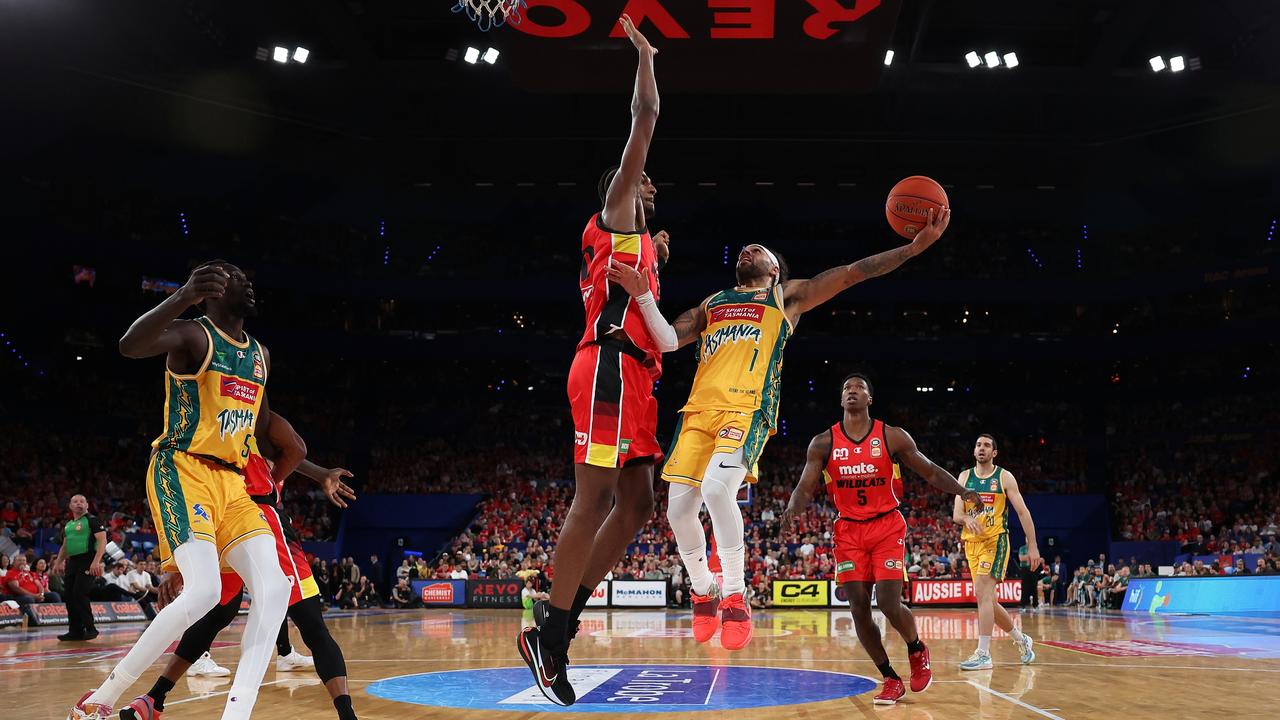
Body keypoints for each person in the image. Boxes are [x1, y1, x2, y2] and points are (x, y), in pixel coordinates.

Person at [611, 197, 951, 654]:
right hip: (697, 413)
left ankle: (735, 595)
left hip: (746, 410)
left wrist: (912, 249)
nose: (748, 250)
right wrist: (643, 294)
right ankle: (703, 590)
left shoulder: (784, 296)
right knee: (677, 511)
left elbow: (853, 272)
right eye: (745, 249)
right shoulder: (713, 303)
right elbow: (668, 341)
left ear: (775, 269)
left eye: (759, 249)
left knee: (717, 491)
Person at [519, 14, 668, 709]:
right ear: (622, 192)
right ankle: (549, 631)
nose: (651, 191)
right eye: (645, 187)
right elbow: (647, 113)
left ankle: (562, 625)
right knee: (596, 498)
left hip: (637, 376)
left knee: (637, 504)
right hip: (606, 366)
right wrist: (642, 54)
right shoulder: (613, 211)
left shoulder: (636, 250)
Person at [68, 261, 291, 720]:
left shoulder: (260, 355)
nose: (247, 282)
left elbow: (265, 427)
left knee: (275, 587)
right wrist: (182, 296)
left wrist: (311, 464)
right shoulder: (193, 335)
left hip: (232, 481)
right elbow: (130, 346)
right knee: (205, 591)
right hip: (183, 468)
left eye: (247, 276)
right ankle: (103, 698)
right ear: (210, 291)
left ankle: (236, 714)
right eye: (234, 277)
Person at [120, 410, 361, 720]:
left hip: (219, 523)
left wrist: (175, 563)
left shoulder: (201, 419)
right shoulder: (250, 413)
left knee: (215, 615)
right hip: (258, 518)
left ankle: (154, 698)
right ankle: (346, 715)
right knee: (311, 626)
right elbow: (296, 449)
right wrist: (273, 481)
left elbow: (176, 492)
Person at [784, 374, 982, 705]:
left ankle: (917, 648)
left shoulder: (891, 436)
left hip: (886, 525)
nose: (851, 391)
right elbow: (805, 488)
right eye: (846, 388)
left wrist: (962, 491)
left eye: (858, 388)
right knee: (859, 608)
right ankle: (890, 678)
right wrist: (790, 514)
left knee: (889, 603)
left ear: (869, 399)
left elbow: (930, 470)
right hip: (848, 531)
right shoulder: (823, 442)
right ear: (841, 398)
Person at [954, 434, 1040, 670]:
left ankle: (983, 653)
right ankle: (1022, 640)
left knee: (982, 592)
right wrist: (965, 520)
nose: (982, 448)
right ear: (974, 451)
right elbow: (956, 514)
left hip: (996, 541)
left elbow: (1023, 512)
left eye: (987, 446)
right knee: (988, 600)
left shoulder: (1004, 477)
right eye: (978, 444)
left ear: (994, 453)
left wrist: (1032, 545)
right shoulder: (964, 477)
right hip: (972, 544)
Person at [50, 494, 106, 641]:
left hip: (88, 559)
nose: (79, 504)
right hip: (73, 562)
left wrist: (96, 561)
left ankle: (90, 628)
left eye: (82, 501)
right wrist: (58, 562)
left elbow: (102, 540)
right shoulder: (68, 525)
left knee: (79, 593)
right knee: (69, 595)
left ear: (87, 505)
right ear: (70, 506)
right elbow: (65, 546)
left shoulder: (92, 520)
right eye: (75, 501)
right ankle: (75, 631)